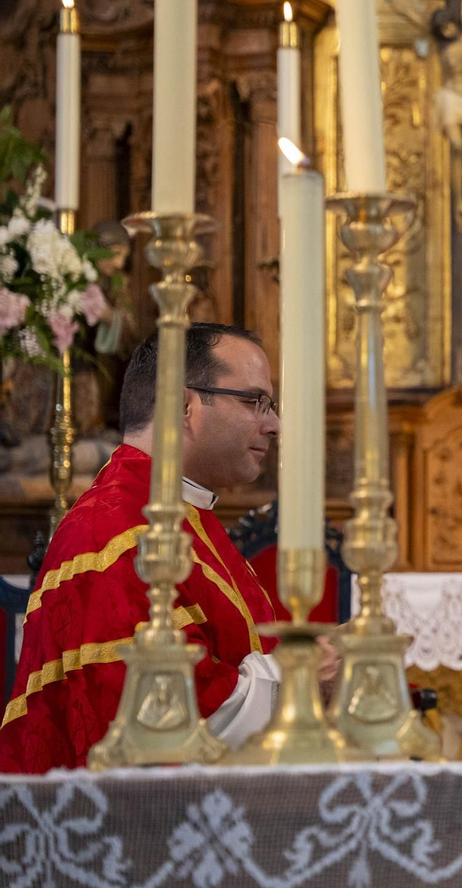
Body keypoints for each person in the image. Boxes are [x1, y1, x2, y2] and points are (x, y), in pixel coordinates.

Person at [0, 323, 330, 773]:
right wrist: (303, 678)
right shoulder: (116, 529)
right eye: (255, 401)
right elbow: (162, 716)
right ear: (184, 406)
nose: (273, 425)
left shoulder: (183, 513)